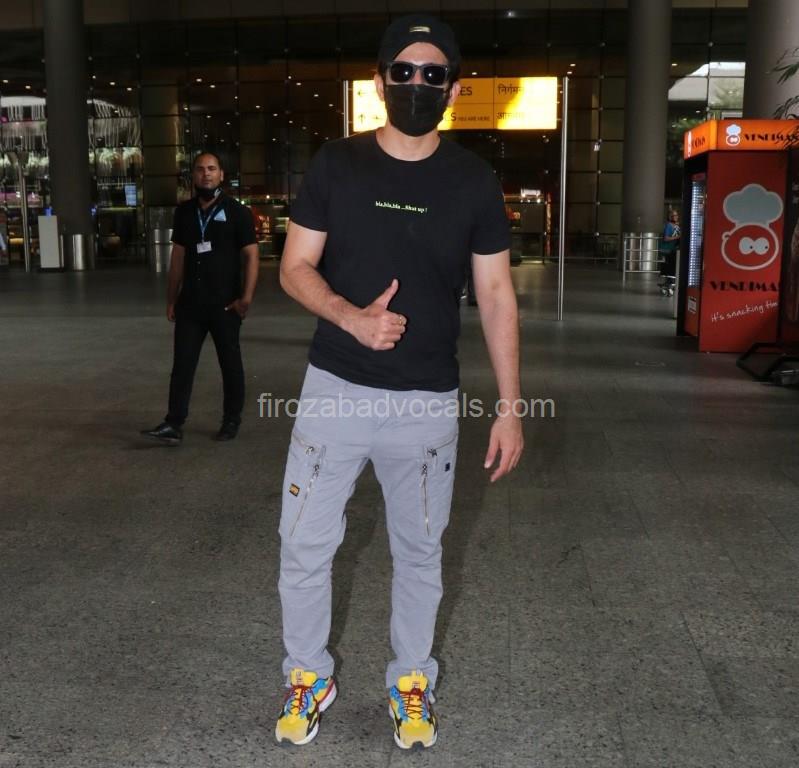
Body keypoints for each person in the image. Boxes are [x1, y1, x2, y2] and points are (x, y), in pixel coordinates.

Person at [274, 14, 523, 750]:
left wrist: (510, 408)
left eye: (433, 73)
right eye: (404, 71)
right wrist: (349, 317)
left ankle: (411, 679)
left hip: (426, 402)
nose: (418, 83)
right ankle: (307, 674)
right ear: (380, 80)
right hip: (335, 390)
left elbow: (497, 295)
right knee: (304, 545)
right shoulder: (337, 164)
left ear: (453, 87)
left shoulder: (472, 181)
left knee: (419, 552)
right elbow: (294, 267)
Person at [141, 152, 259, 445]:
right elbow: (177, 258)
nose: (206, 174)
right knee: (182, 365)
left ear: (221, 175)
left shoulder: (238, 212)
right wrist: (171, 299)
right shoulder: (184, 212)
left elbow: (251, 256)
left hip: (225, 305)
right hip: (190, 305)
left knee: (230, 364)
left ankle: (231, 420)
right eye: (200, 169)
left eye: (212, 169)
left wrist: (245, 298)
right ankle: (174, 423)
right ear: (193, 175)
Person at [660, 209, 680, 296]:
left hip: (674, 250)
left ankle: (671, 282)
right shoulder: (668, 226)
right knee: (670, 267)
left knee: (673, 267)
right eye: (674, 215)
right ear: (670, 217)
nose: (676, 217)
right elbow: (666, 238)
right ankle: (669, 283)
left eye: (677, 215)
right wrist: (677, 237)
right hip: (668, 250)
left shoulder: (676, 226)